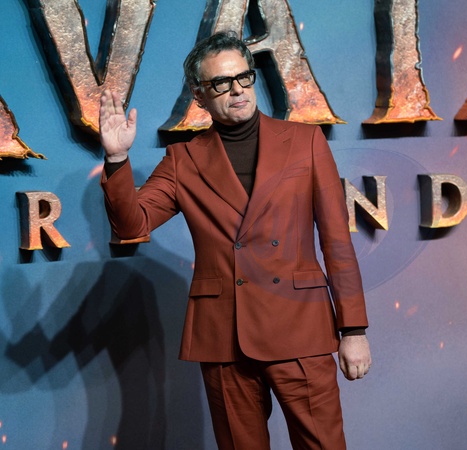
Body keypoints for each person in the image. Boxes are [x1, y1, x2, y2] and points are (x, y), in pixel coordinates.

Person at [99, 32, 371, 449]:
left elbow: (337, 243)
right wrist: (117, 159)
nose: (238, 90)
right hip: (224, 337)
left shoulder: (305, 142)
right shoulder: (183, 160)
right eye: (222, 83)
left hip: (300, 328)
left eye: (244, 77)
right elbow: (131, 226)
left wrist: (352, 329)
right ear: (199, 95)